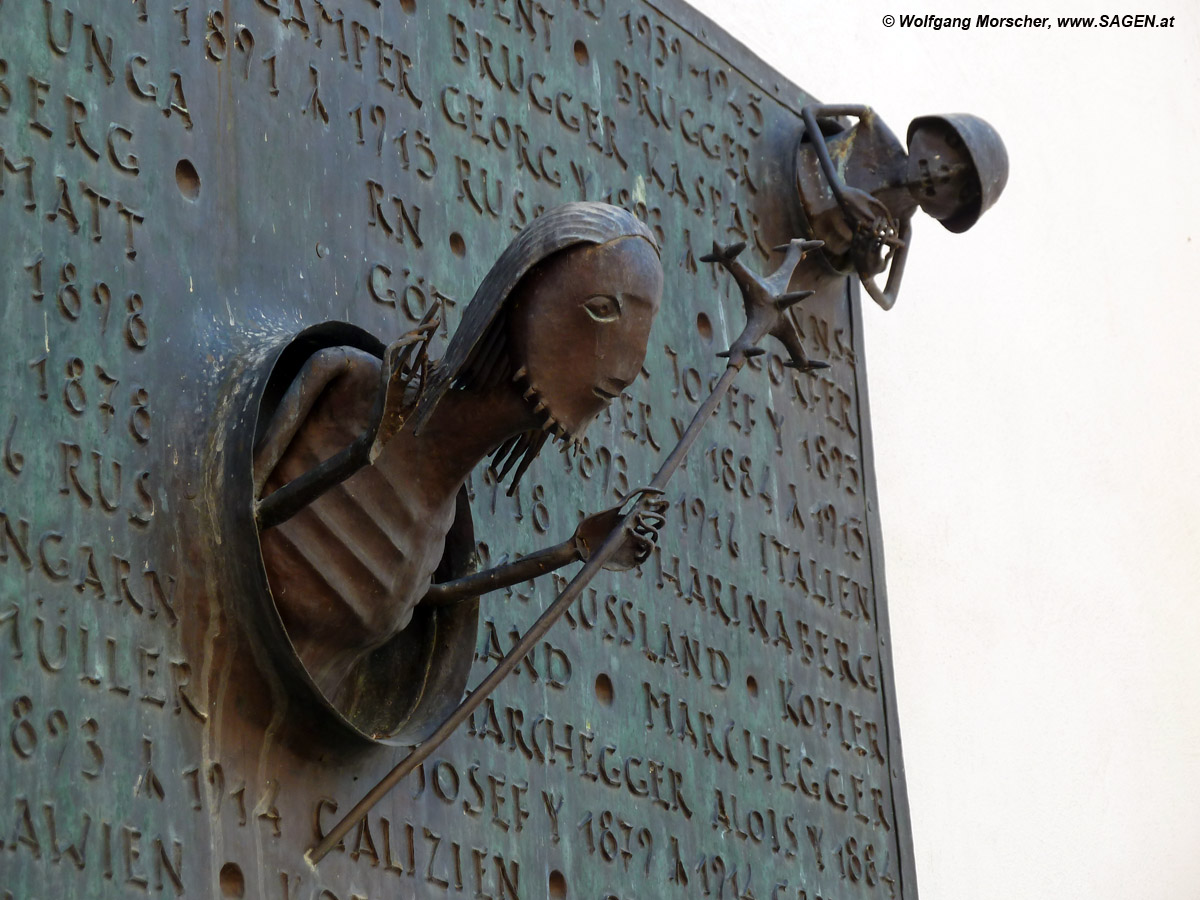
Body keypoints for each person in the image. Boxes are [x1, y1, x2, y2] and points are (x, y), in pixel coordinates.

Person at [252, 203, 665, 700]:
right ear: (519, 298)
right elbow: (249, 508)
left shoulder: (438, 529)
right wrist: (365, 447)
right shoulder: (344, 379)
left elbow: (433, 601)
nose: (625, 369)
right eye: (603, 309)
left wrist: (572, 551)